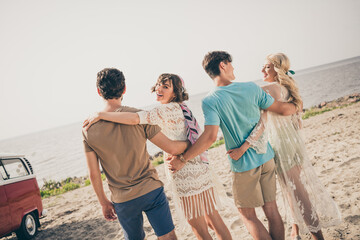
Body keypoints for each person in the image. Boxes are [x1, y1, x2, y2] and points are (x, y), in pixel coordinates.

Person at [83, 73, 233, 240]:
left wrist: (101, 115)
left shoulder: (161, 111)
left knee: (198, 226)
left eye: (166, 86)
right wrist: (190, 144)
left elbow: (134, 119)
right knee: (213, 220)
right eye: (159, 85)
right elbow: (182, 141)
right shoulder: (181, 107)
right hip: (196, 169)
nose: (159, 88)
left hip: (183, 174)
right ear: (124, 88)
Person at [168, 51, 298, 240]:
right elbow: (281, 109)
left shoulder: (211, 100)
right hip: (266, 158)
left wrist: (183, 159)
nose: (233, 67)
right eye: (231, 64)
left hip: (244, 165)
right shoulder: (252, 88)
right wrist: (297, 103)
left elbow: (210, 137)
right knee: (272, 211)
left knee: (248, 216)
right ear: (222, 65)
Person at [230, 53, 341, 240]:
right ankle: (296, 230)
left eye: (267, 67)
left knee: (298, 192)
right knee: (292, 189)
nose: (262, 70)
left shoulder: (270, 88)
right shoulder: (288, 88)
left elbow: (257, 112)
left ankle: (318, 237)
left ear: (277, 69)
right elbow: (298, 122)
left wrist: (243, 146)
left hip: (282, 146)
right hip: (294, 143)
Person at [82, 68, 190, 240]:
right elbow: (171, 148)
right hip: (151, 190)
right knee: (168, 236)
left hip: (123, 199)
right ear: (124, 88)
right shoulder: (140, 116)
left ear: (98, 91)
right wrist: (192, 142)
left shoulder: (88, 129)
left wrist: (103, 202)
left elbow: (94, 174)